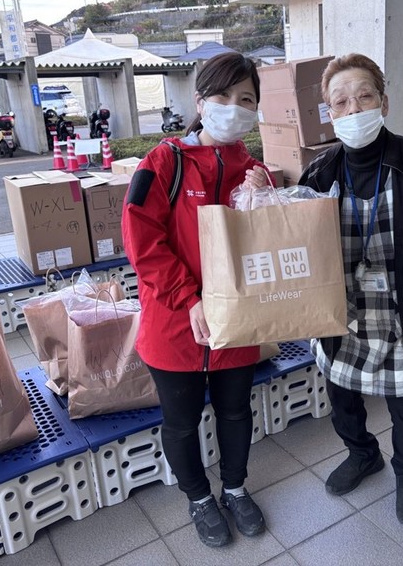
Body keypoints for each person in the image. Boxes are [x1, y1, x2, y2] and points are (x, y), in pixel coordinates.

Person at [298, 53, 403, 526]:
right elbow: (295, 240)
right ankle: (362, 453)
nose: (353, 109)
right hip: (339, 307)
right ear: (329, 113)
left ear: (384, 103)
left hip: (398, 304)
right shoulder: (320, 171)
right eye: (340, 102)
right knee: (341, 393)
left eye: (364, 96)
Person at [122, 52, 269, 548]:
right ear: (200, 102)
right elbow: (142, 242)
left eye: (245, 99)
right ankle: (199, 498)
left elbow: (268, 244)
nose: (234, 108)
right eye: (223, 96)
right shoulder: (164, 162)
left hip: (237, 321)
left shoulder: (255, 171)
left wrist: (264, 197)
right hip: (174, 323)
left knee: (236, 411)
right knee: (182, 422)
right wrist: (189, 298)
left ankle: (235, 488)